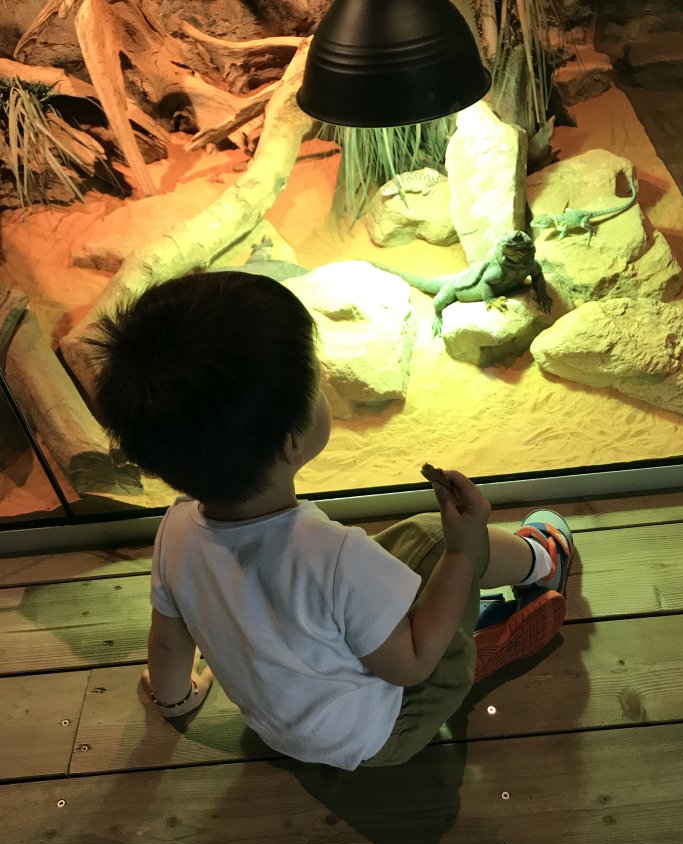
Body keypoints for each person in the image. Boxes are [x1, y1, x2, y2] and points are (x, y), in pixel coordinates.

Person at [91, 271, 573, 771]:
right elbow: (409, 665)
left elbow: (169, 640)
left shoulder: (174, 534)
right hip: (384, 733)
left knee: (408, 548)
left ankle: (514, 580)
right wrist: (463, 551)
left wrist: (174, 701)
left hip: (280, 726)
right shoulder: (336, 557)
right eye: (314, 380)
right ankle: (537, 569)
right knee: (439, 543)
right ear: (289, 442)